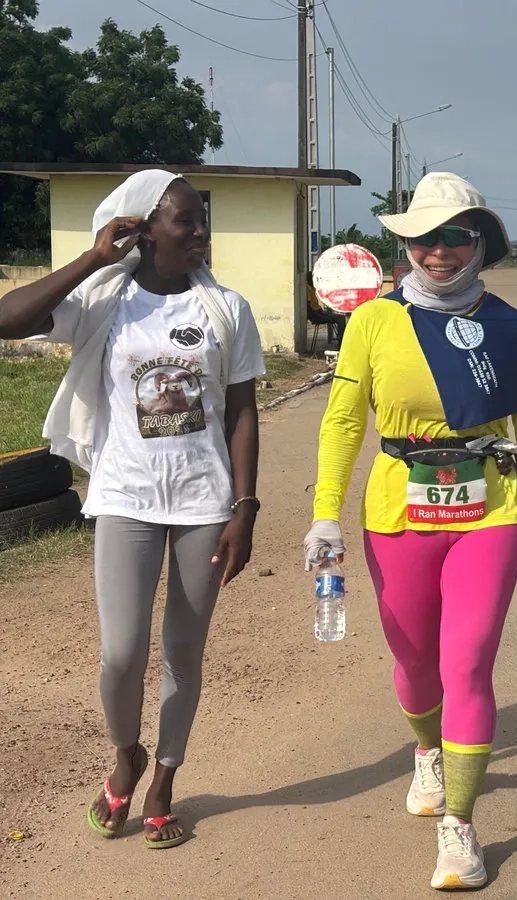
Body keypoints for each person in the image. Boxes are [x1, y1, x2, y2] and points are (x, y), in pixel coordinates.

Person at [304, 172, 517, 891]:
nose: (441, 251)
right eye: (426, 238)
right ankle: (428, 751)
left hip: (488, 509)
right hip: (398, 511)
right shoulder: (374, 322)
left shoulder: (511, 328)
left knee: (469, 662)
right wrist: (325, 510)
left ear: (480, 242)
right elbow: (343, 420)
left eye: (458, 236)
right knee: (416, 661)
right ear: (407, 244)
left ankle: (459, 824)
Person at [0, 170, 265, 848]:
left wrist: (245, 507)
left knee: (184, 650)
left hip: (206, 502)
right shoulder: (102, 300)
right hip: (125, 498)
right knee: (120, 653)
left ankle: (165, 779)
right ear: (144, 228)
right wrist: (93, 256)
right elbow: (9, 320)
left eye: (203, 218)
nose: (202, 230)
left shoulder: (226, 309)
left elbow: (241, 412)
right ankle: (127, 754)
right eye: (187, 219)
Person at [306, 271, 348, 349]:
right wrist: (317, 315)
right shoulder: (307, 288)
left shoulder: (312, 288)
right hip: (316, 315)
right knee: (340, 318)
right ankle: (341, 343)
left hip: (319, 312)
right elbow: (308, 306)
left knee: (340, 317)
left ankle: (341, 340)